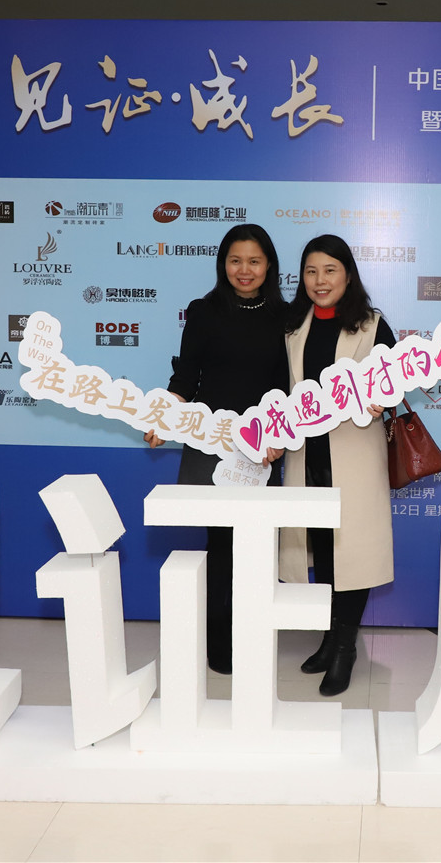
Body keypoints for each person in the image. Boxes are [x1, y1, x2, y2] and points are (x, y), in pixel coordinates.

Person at [146, 223, 287, 674]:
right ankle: (219, 642)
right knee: (222, 542)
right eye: (235, 260)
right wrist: (166, 417)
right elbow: (186, 377)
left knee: (258, 545)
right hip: (214, 441)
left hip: (263, 446)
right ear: (223, 264)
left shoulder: (286, 316)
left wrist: (278, 435)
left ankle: (253, 634)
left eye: (254, 261)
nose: (244, 270)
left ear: (269, 265)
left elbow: (288, 387)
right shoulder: (203, 311)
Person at [279, 234, 395, 696]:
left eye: (330, 270)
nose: (320, 280)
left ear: (348, 274)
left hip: (354, 456)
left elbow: (393, 382)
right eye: (311, 271)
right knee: (324, 551)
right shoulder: (294, 326)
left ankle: (345, 648)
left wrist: (381, 399)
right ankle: (330, 639)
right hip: (306, 456)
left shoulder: (372, 326)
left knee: (354, 552)